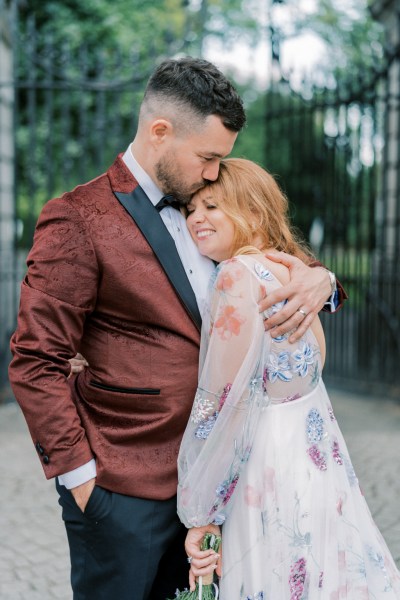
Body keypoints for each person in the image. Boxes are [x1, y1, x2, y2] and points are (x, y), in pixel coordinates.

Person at [8, 57, 345, 600]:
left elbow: (275, 258)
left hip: (224, 489)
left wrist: (324, 280)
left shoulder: (210, 206)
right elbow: (35, 360)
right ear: (160, 132)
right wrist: (81, 481)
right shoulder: (78, 217)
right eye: (208, 157)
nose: (214, 173)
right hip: (125, 492)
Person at [176, 158, 400, 599]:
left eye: (212, 206)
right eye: (191, 209)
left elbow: (221, 405)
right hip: (318, 467)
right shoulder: (295, 276)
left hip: (265, 469)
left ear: (253, 213)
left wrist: (200, 510)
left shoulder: (235, 276)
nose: (195, 218)